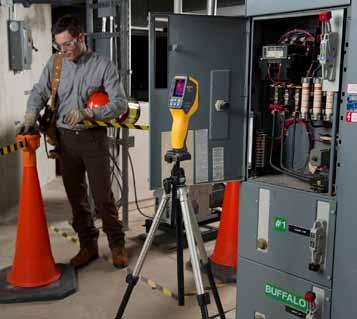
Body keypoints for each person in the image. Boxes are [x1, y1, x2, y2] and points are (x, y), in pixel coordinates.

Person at [16, 15, 129, 269]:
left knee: (102, 197)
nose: (63, 50)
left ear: (81, 38)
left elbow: (120, 103)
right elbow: (39, 91)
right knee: (75, 197)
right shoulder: (56, 63)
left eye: (67, 44)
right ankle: (87, 245)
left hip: (93, 138)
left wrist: (89, 113)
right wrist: (31, 113)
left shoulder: (102, 66)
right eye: (58, 45)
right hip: (65, 140)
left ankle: (117, 244)